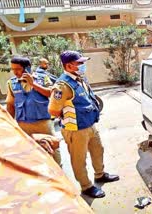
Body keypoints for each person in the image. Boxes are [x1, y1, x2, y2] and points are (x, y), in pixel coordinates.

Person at [48, 50, 119, 198]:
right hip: (75, 129)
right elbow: (53, 110)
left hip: (89, 125)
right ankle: (86, 186)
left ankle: (100, 174)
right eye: (79, 63)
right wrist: (68, 116)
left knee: (98, 150)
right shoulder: (62, 86)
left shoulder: (79, 79)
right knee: (79, 160)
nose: (83, 65)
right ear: (68, 66)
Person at [5, 56, 61, 166]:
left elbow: (51, 93)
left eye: (18, 69)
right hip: (23, 124)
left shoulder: (42, 78)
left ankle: (59, 172)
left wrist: (33, 84)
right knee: (30, 151)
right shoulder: (11, 83)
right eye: (13, 69)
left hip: (43, 123)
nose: (15, 72)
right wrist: (10, 123)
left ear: (28, 68)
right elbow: (10, 105)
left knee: (52, 148)